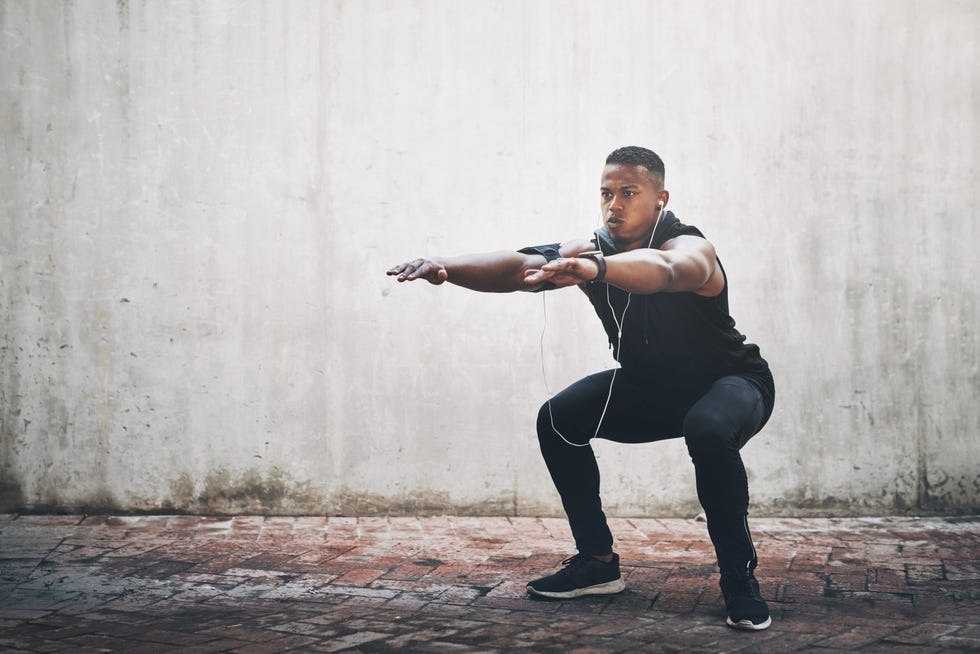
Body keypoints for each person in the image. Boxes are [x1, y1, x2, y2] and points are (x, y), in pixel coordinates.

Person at [386, 146, 775, 631]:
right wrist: (446, 267)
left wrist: (599, 269)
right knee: (558, 419)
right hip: (653, 388)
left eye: (629, 193)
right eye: (607, 193)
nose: (614, 205)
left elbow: (671, 272)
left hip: (732, 383)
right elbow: (520, 266)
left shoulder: (690, 246)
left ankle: (739, 580)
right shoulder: (592, 247)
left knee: (709, 428)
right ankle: (597, 562)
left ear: (660, 198)